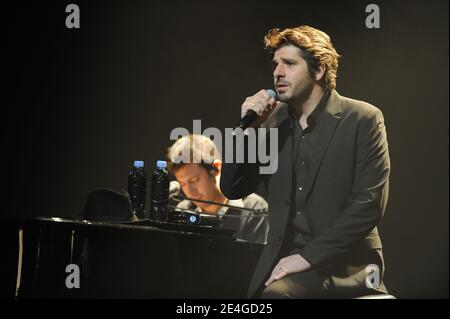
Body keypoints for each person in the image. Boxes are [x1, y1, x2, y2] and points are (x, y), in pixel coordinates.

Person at [220, 25, 391, 298]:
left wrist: (308, 258)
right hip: (284, 260)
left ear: (319, 70)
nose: (277, 72)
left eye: (289, 63)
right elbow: (233, 188)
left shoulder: (363, 118)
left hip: (348, 263)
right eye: (275, 64)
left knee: (277, 296)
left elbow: (369, 205)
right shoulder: (271, 123)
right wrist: (247, 130)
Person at [167, 134, 269, 244]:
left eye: (194, 180)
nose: (190, 192)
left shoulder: (254, 209)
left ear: (217, 168)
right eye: (182, 184)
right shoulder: (183, 210)